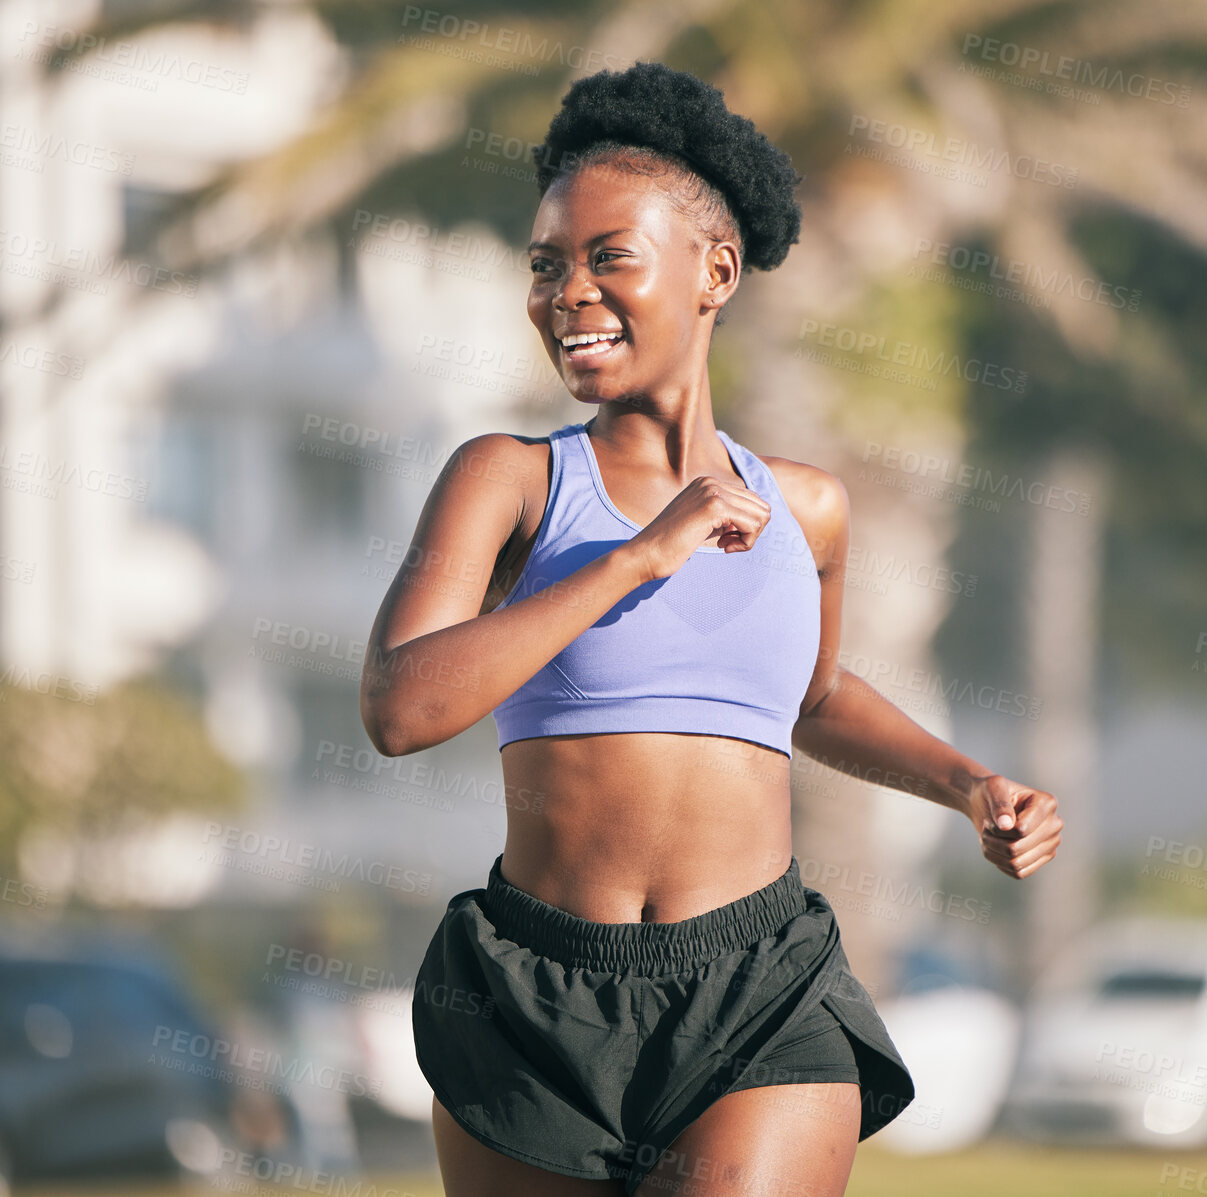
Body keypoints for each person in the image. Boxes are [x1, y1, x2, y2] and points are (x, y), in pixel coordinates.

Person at [359, 61, 1064, 1197]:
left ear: (713, 273)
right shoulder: (509, 480)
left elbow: (814, 699)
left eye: (607, 257)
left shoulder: (808, 507)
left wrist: (971, 783)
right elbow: (400, 707)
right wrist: (636, 557)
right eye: (545, 266)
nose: (566, 292)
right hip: (535, 990)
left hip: (756, 983)